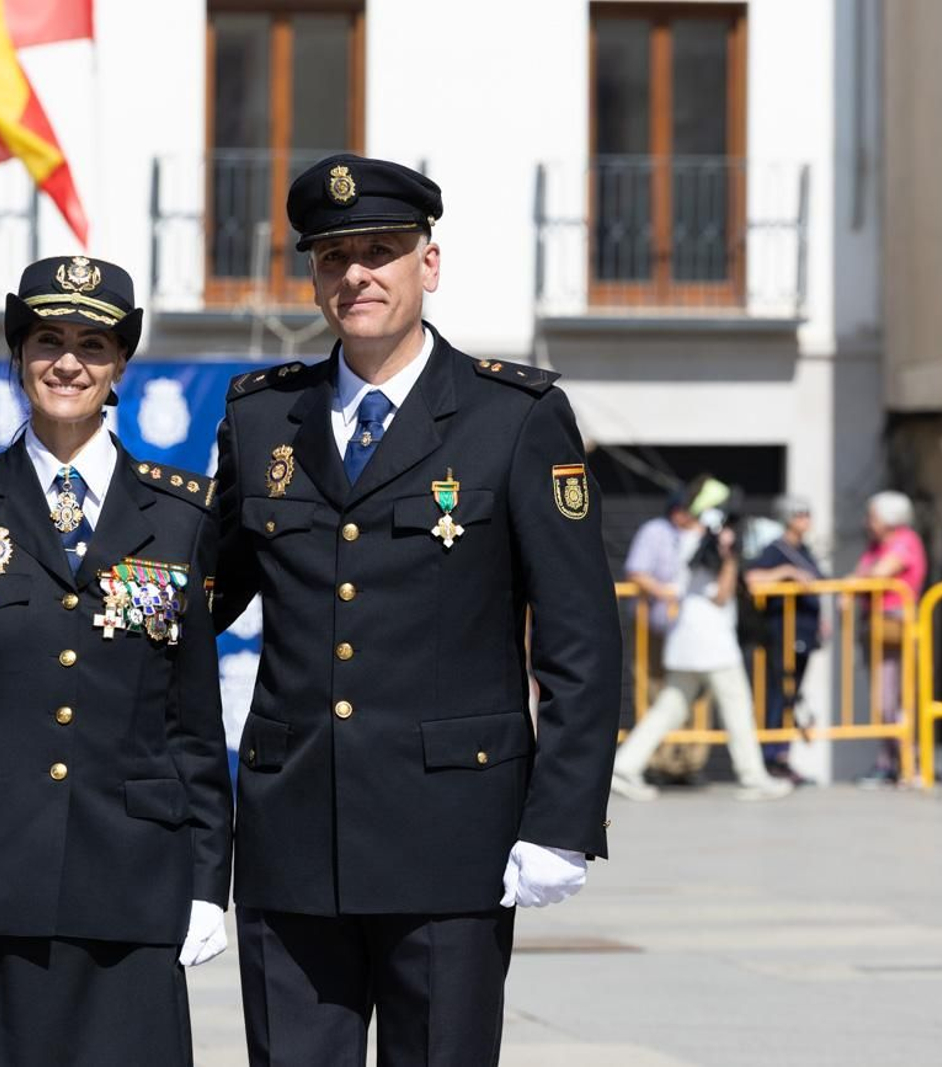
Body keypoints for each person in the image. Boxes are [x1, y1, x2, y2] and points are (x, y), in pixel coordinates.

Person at [211, 155, 622, 1067]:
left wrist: (562, 820)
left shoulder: (511, 416)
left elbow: (579, 638)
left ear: (426, 264)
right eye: (332, 256)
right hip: (293, 840)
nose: (355, 273)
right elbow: (203, 591)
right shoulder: (261, 419)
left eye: (380, 252)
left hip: (453, 839)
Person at [0, 256, 232, 1066]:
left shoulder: (178, 517)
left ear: (120, 365)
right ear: (17, 356)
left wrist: (211, 877)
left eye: (92, 344)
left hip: (131, 888)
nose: (68, 362)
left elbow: (193, 724)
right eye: (47, 340)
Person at [610, 480, 793, 804]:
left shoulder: (685, 539)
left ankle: (624, 767)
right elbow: (722, 595)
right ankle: (753, 776)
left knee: (669, 707)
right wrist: (730, 558)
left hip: (687, 638)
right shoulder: (704, 543)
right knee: (737, 706)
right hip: (711, 640)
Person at [624, 489, 711, 783]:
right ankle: (658, 762)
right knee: (653, 691)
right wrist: (669, 595)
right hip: (656, 629)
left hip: (691, 630)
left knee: (696, 695)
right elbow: (637, 572)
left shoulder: (703, 534)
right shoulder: (655, 532)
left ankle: (690, 762)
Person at [743, 494, 824, 781]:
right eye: (800, 514)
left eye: (807, 514)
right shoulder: (776, 550)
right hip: (781, 632)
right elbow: (752, 578)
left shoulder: (806, 549)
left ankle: (783, 755)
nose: (806, 520)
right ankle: (769, 754)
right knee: (778, 693)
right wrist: (786, 572)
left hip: (804, 631)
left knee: (793, 696)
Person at [850, 491, 927, 786]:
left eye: (873, 516)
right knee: (883, 700)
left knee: (905, 697)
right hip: (876, 624)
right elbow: (861, 575)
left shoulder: (906, 540)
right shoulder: (875, 546)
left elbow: (875, 575)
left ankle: (912, 759)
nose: (867, 523)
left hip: (900, 623)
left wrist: (859, 580)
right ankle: (889, 761)